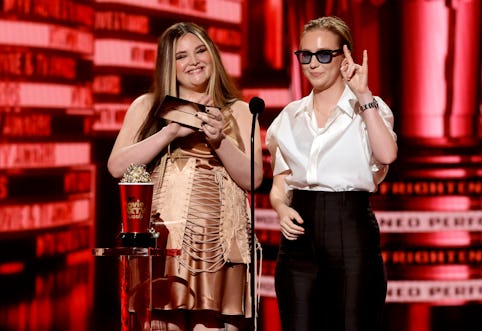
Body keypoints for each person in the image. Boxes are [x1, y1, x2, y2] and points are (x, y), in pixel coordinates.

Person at [107, 22, 264, 331]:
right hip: (164, 239)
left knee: (214, 324)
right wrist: (171, 132)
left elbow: (253, 179)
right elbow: (116, 167)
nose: (193, 61)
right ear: (169, 64)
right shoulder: (148, 105)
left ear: (213, 55)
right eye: (181, 56)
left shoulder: (240, 111)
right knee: (162, 323)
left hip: (221, 244)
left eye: (200, 50)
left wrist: (219, 140)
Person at [266, 16, 397, 331]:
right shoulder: (289, 116)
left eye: (324, 54)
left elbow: (387, 155)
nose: (313, 63)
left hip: (351, 235)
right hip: (298, 243)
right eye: (305, 55)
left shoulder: (369, 108)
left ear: (344, 57)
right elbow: (280, 183)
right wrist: (281, 207)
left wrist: (364, 96)